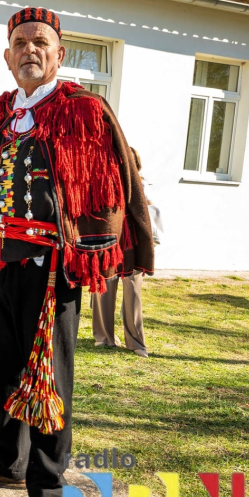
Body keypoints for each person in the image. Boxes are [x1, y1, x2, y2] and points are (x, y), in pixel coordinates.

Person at [0, 7, 153, 497]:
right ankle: (7, 461)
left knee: (47, 379)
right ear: (7, 57)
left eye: (41, 42)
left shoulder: (83, 110)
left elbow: (110, 184)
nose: (31, 49)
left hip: (49, 271)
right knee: (2, 370)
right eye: (21, 42)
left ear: (59, 54)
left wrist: (90, 252)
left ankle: (48, 490)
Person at [92, 147, 150, 357]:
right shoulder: (103, 181)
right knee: (105, 287)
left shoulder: (141, 185)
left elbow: (147, 214)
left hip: (132, 243)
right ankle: (104, 337)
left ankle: (135, 342)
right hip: (109, 241)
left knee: (133, 290)